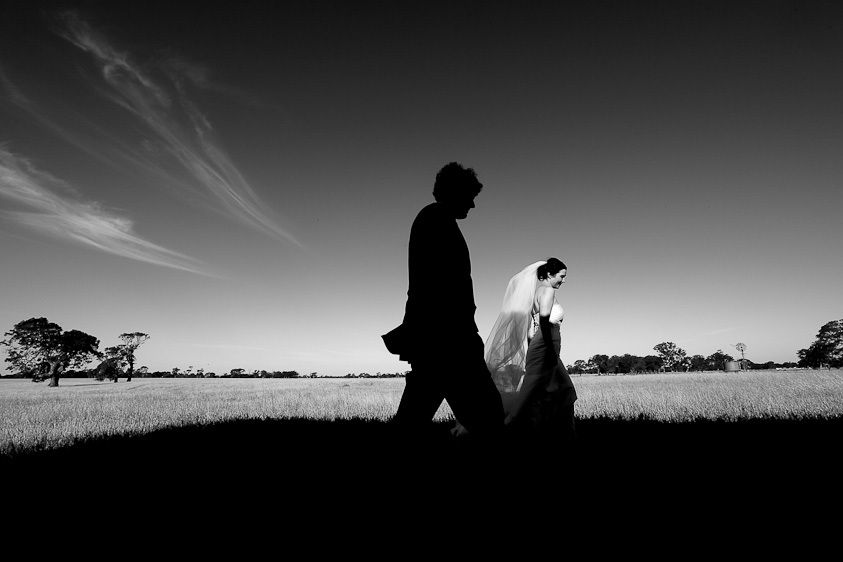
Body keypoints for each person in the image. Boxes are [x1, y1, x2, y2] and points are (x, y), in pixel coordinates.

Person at [386, 162, 504, 443]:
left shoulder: (434, 218)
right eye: (470, 196)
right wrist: (463, 333)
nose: (473, 205)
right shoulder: (436, 219)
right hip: (448, 338)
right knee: (489, 416)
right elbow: (439, 285)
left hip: (438, 337)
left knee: (414, 415)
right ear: (455, 191)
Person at [484, 258, 577, 444]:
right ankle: (508, 426)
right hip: (546, 346)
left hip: (540, 345)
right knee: (539, 391)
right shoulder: (548, 291)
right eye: (562, 276)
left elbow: (530, 328)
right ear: (550, 274)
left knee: (553, 390)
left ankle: (551, 431)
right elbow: (543, 321)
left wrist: (535, 346)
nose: (564, 280)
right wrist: (549, 349)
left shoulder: (535, 293)